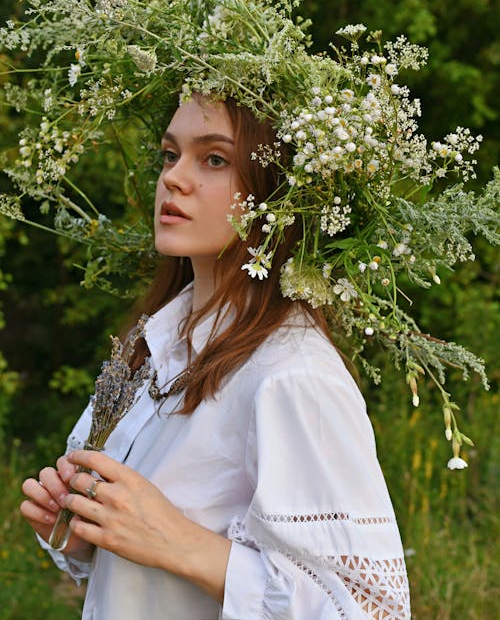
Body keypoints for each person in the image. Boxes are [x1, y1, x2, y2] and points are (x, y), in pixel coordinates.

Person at [20, 94, 411, 619]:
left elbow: (371, 609)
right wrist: (83, 533)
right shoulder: (152, 343)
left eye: (215, 159)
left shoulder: (292, 376)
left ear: (279, 196)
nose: (174, 179)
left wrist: (180, 542)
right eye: (169, 154)